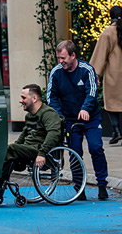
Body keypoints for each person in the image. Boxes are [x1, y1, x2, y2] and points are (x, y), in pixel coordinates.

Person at [0, 84, 62, 199]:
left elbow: (54, 133)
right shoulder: (30, 116)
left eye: (23, 98)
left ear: (34, 98)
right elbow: (24, 134)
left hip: (40, 150)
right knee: (1, 149)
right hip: (28, 149)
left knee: (11, 149)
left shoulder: (48, 114)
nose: (20, 101)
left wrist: (42, 153)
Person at [48, 40, 109, 200]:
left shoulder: (86, 70)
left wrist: (85, 109)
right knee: (75, 153)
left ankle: (102, 185)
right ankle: (79, 187)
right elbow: (51, 96)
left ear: (73, 55)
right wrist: (59, 115)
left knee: (96, 148)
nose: (61, 62)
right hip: (69, 119)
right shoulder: (56, 72)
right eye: (58, 58)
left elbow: (93, 92)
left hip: (91, 117)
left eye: (63, 58)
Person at [90, 6, 122, 145]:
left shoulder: (108, 33)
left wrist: (94, 74)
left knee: (111, 104)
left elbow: (100, 55)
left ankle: (117, 131)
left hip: (114, 76)